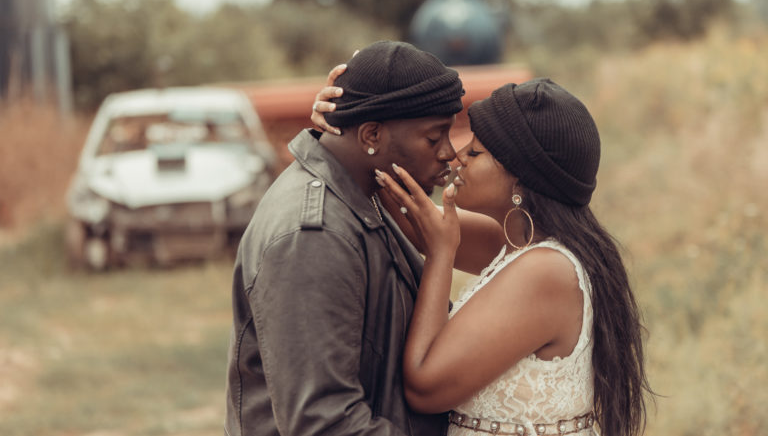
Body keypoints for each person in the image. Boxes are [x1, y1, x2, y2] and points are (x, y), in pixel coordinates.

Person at [312, 78, 652, 436]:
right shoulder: (516, 242)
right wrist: (344, 127)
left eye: (475, 153)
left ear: (521, 178)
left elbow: (424, 389)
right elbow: (401, 209)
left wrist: (442, 255)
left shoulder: (545, 271)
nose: (458, 157)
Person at [224, 40, 466, 436]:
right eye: (434, 138)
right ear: (371, 134)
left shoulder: (368, 195)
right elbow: (323, 423)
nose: (449, 154)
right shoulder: (313, 237)